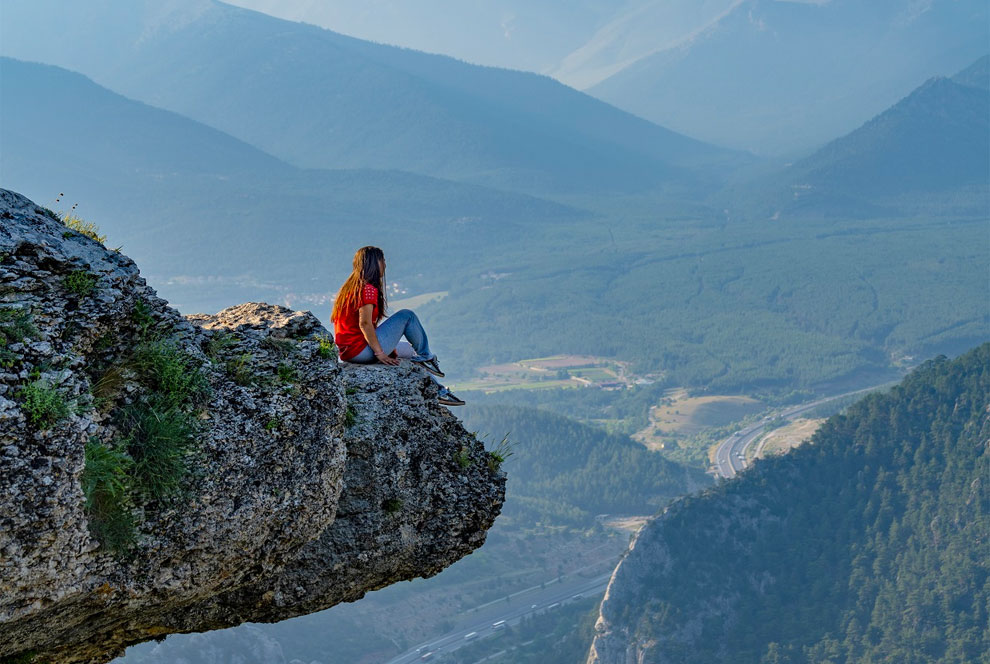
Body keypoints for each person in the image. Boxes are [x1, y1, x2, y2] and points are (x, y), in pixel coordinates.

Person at [331, 246, 465, 406]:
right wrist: (380, 353)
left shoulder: (349, 289)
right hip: (361, 351)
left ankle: (438, 391)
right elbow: (365, 323)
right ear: (374, 263)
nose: (385, 265)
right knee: (406, 316)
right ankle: (427, 356)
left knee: (409, 352)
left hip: (350, 352)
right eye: (383, 261)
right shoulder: (367, 289)